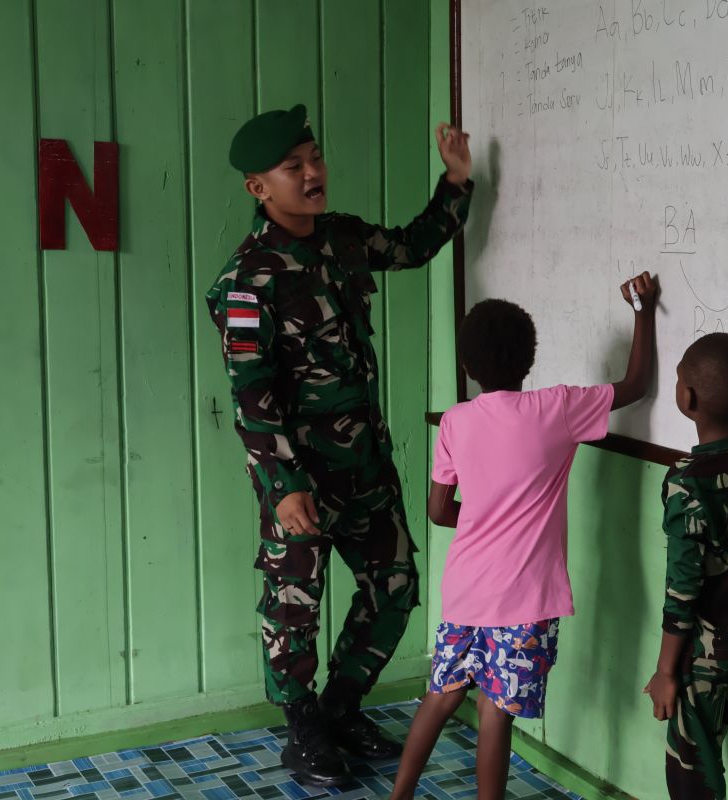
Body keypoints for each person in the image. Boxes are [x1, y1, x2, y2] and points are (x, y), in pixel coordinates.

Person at [205, 104, 473, 787]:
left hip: (366, 462)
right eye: (292, 167)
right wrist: (282, 487)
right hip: (298, 475)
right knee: (295, 604)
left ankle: (341, 708)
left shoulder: (342, 240)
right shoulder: (247, 280)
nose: (313, 173)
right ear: (258, 188)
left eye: (314, 157)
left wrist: (457, 182)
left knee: (396, 585)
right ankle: (302, 732)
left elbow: (413, 246)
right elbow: (251, 394)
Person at [389, 274, 658, 800]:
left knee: (441, 695)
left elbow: (440, 511)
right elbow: (636, 385)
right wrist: (643, 311)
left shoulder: (454, 422)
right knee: (495, 712)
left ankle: (399, 796)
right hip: (525, 600)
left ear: (467, 367)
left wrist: (484, 515)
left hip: (466, 590)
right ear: (529, 360)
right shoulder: (556, 408)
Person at [642, 333, 728, 800]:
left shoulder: (688, 482)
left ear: (687, 396)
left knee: (690, 761)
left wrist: (666, 671)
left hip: (706, 644)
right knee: (710, 737)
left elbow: (682, 587)